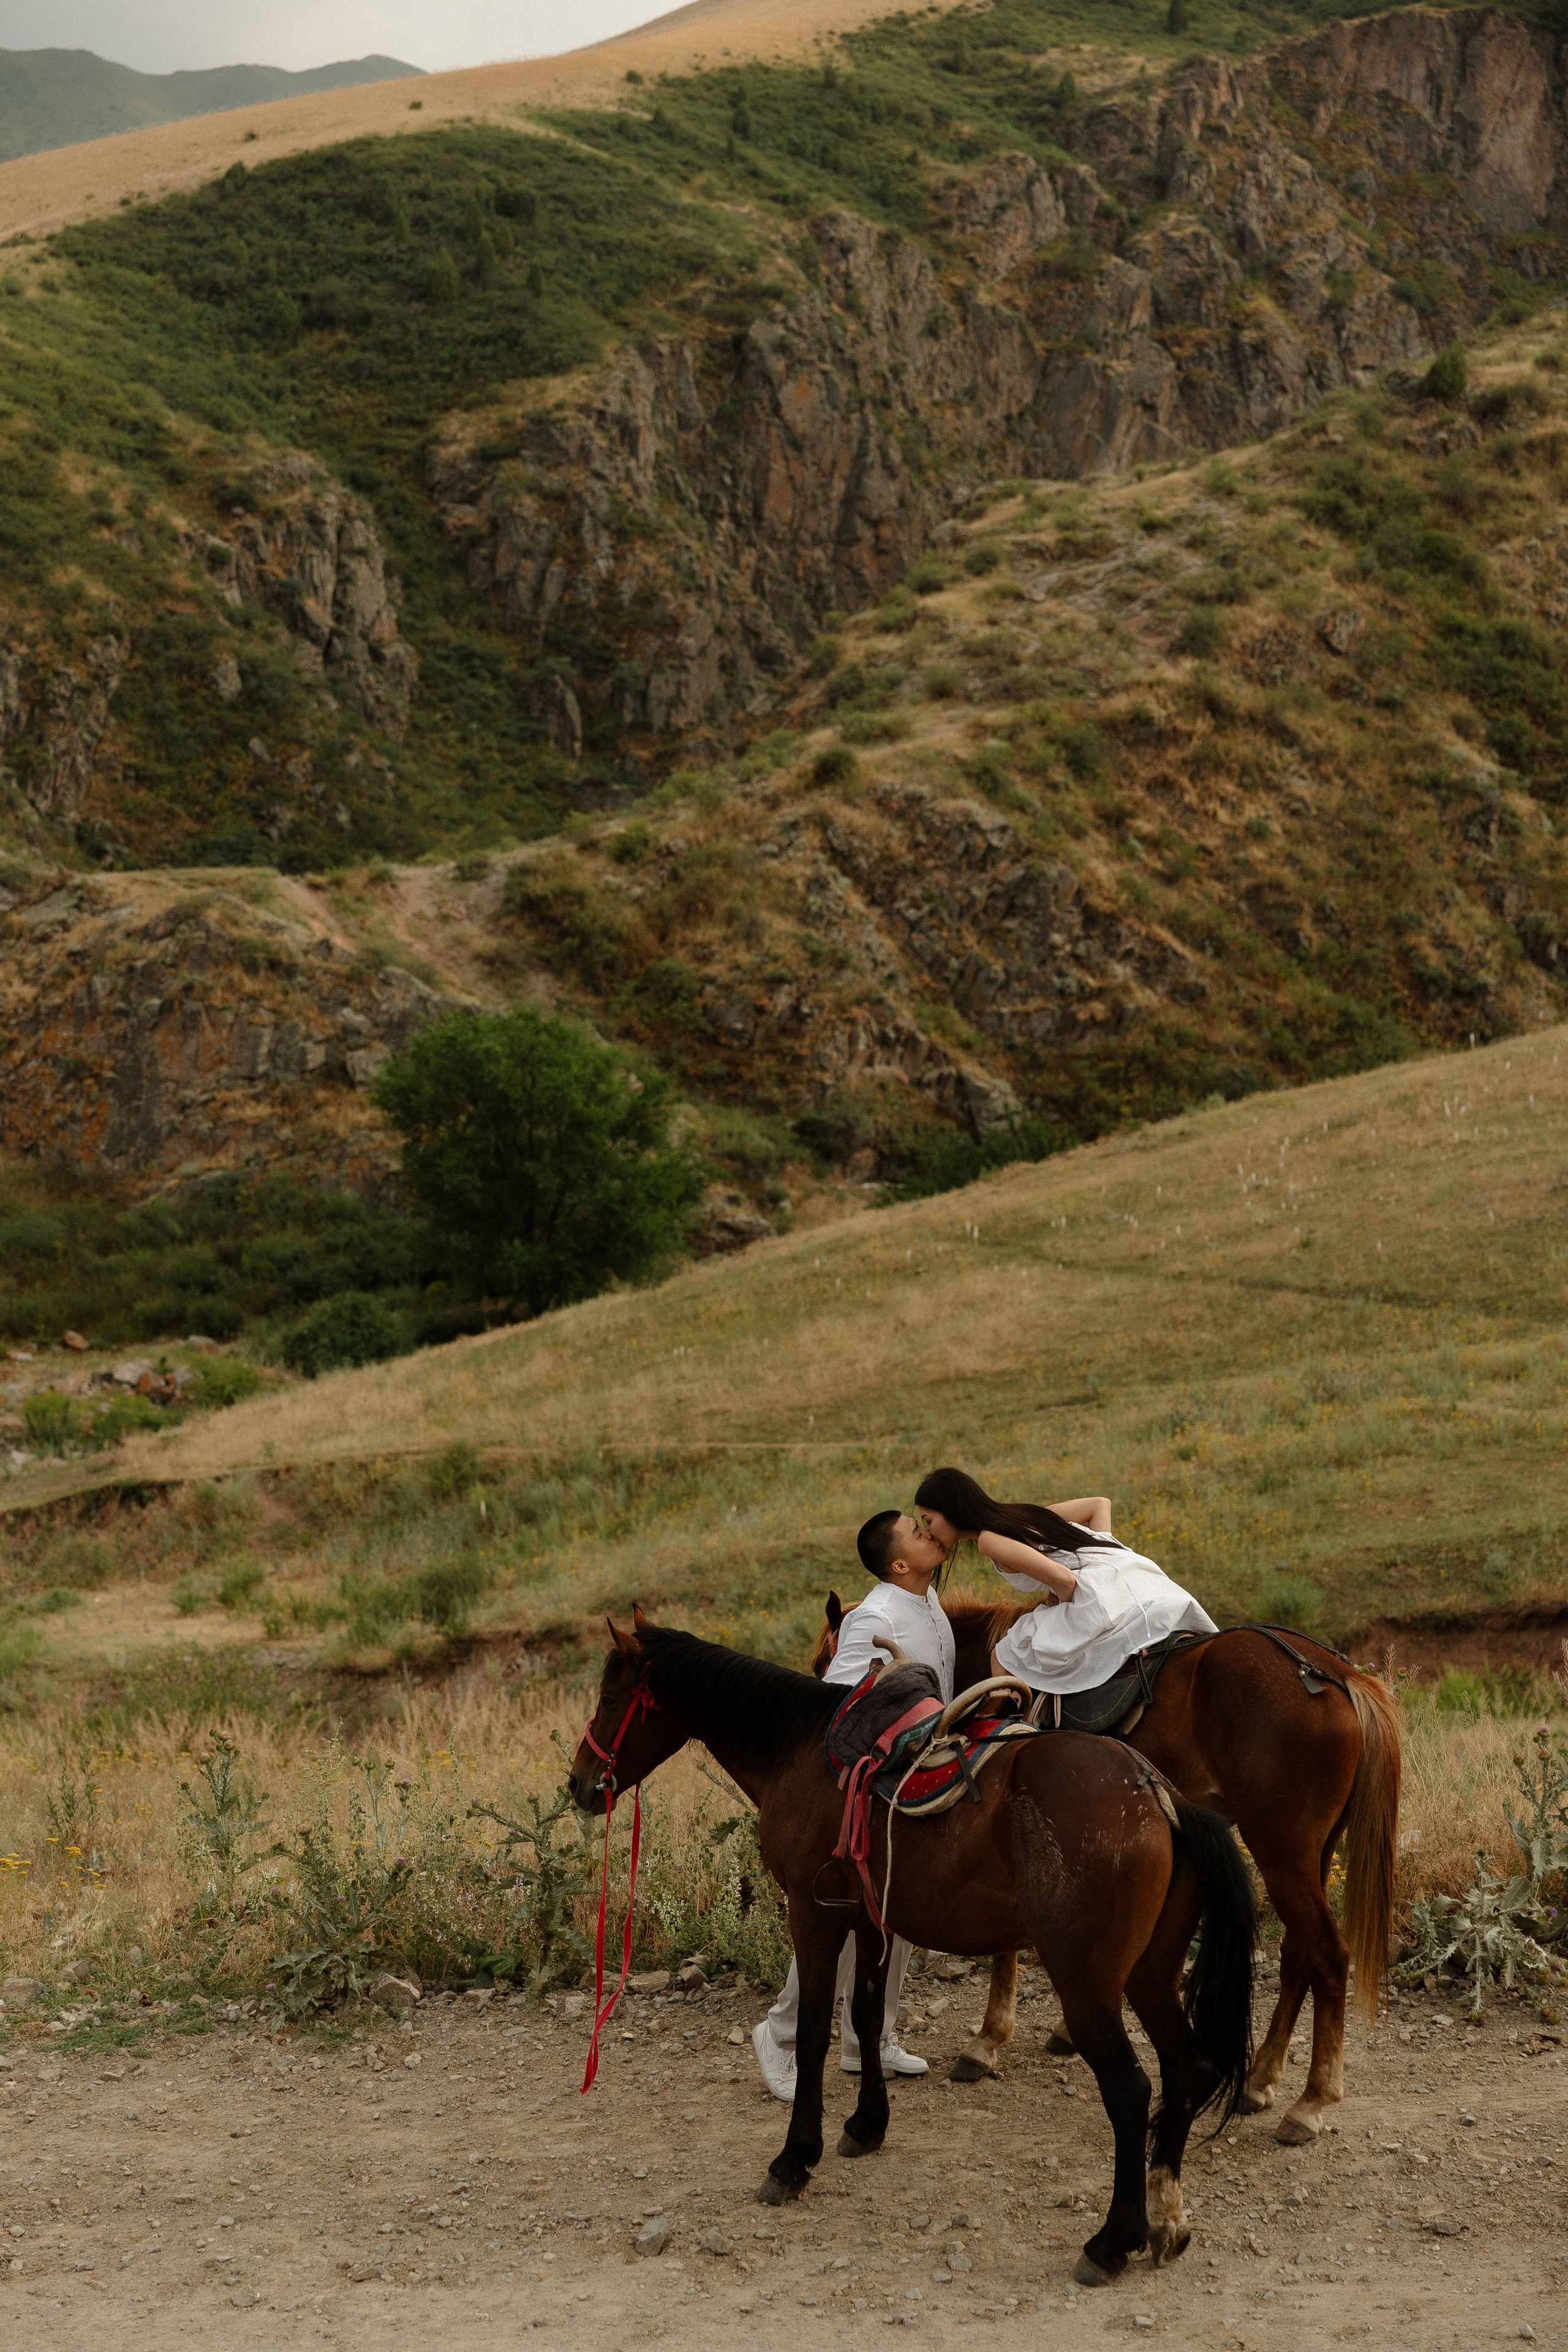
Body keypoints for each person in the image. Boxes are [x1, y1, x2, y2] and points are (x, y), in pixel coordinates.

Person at [752, 1507, 954, 2105]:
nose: (928, 1534)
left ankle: (868, 2040)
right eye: (916, 1532)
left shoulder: (927, 1600)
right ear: (899, 1564)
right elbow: (834, 1705)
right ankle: (780, 2035)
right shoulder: (875, 1616)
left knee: (897, 1914)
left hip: (912, 1777)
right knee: (840, 1921)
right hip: (864, 1790)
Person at [913, 1466, 1216, 1694]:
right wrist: (1102, 1556)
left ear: (950, 1510)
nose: (929, 1532)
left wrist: (1058, 1599)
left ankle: (1017, 1730)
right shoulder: (1021, 1515)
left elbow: (1064, 1580)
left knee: (1004, 1655)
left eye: (929, 1521)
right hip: (1135, 1572)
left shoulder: (989, 1540)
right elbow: (1100, 1504)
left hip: (1098, 1593)